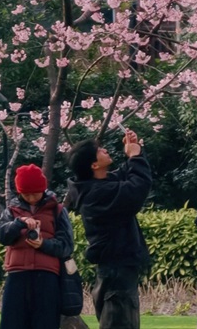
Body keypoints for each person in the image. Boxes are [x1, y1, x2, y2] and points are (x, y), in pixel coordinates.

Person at [68, 130, 152, 329]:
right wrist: (135, 156)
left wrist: (134, 152)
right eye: (99, 150)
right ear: (94, 165)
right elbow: (137, 188)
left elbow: (125, 176)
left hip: (117, 269)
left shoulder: (98, 186)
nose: (104, 150)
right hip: (116, 271)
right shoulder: (96, 194)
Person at [0, 164, 73, 329]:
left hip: (47, 276)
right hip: (17, 275)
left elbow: (66, 245)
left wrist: (43, 244)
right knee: (12, 323)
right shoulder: (11, 211)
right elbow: (1, 236)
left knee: (45, 323)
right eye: (26, 194)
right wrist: (18, 224)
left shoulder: (57, 210)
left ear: (43, 189)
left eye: (35, 193)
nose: (31, 198)